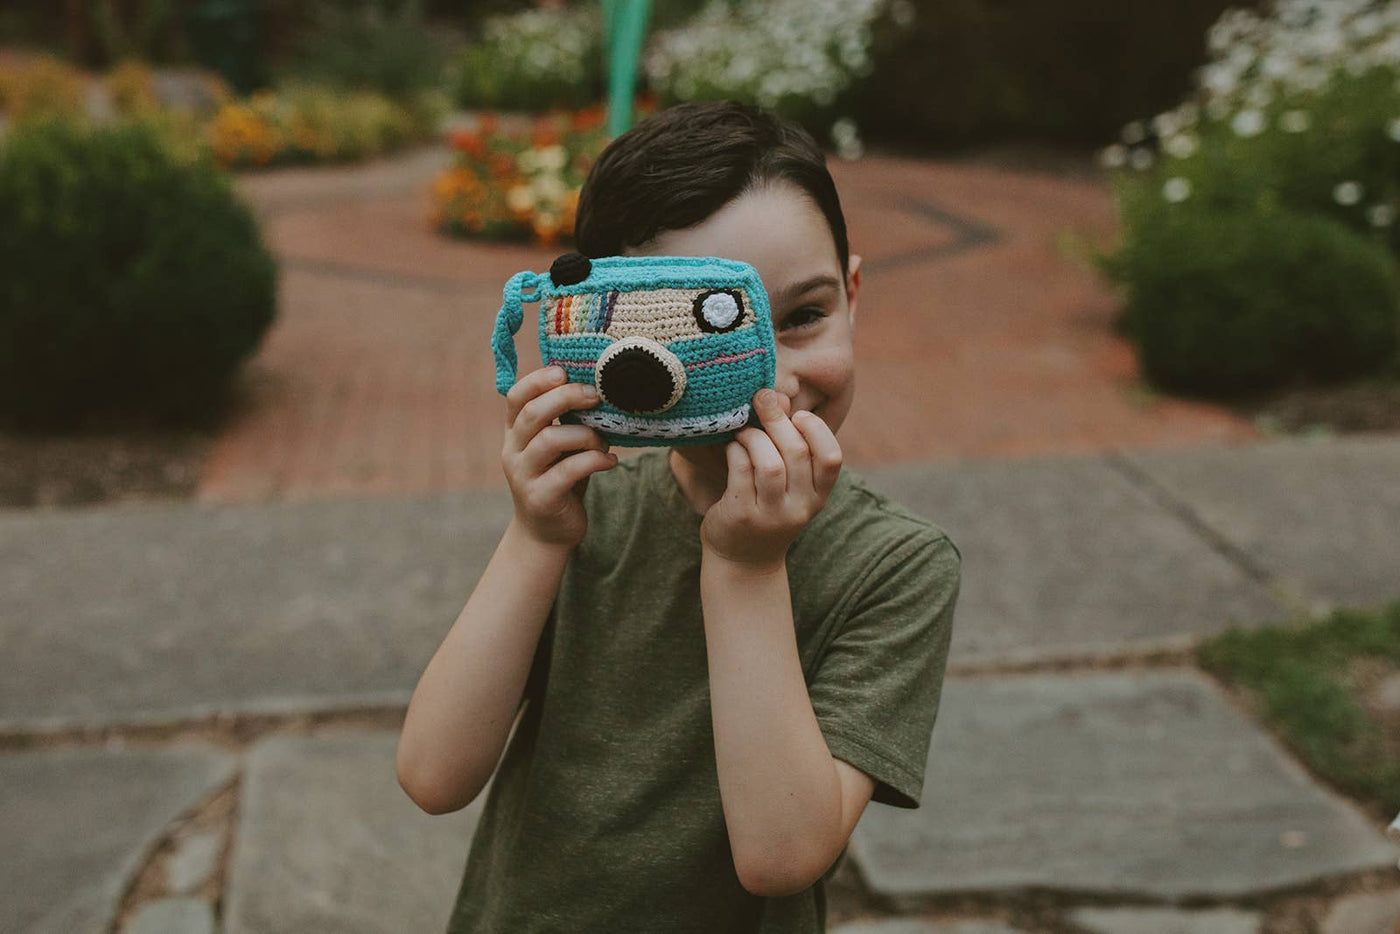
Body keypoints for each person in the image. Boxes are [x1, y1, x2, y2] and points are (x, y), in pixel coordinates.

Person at [396, 100, 962, 933]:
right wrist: (534, 537)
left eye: (804, 316)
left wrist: (745, 567)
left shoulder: (897, 567)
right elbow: (433, 775)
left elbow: (780, 855)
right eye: (713, 336)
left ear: (853, 294)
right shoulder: (586, 517)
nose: (766, 379)